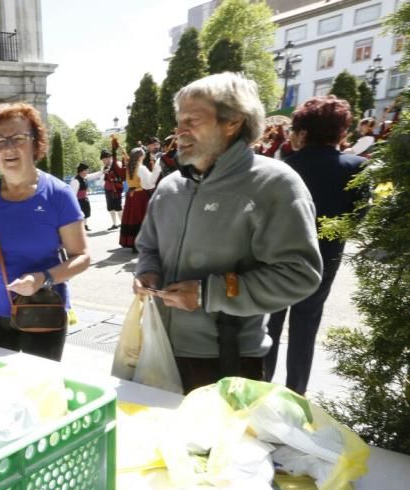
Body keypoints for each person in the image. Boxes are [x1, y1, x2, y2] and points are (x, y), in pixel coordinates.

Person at [133, 72, 322, 393]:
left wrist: (210, 293)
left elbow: (299, 274)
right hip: (158, 348)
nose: (179, 132)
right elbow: (148, 247)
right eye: (179, 121)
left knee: (216, 446)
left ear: (232, 122)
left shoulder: (275, 184)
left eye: (193, 120)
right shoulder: (169, 187)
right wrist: (147, 272)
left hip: (228, 362)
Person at [0, 102, 90, 361]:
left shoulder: (58, 195)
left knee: (40, 393)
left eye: (17, 138)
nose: (8, 147)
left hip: (44, 310)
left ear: (35, 143)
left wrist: (43, 279)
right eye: (0, 142)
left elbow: (82, 257)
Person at [265, 96, 367, 395]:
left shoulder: (282, 167)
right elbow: (359, 215)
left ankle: (259, 387)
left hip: (277, 257)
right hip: (325, 258)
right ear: (341, 132)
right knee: (305, 328)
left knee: (270, 324)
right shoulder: (357, 167)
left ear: (303, 133)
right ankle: (296, 394)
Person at [118, 147, 158, 251]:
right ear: (141, 156)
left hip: (131, 196)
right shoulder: (141, 168)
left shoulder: (129, 168)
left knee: (133, 218)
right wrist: (155, 171)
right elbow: (149, 184)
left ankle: (134, 244)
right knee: (142, 218)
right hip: (141, 196)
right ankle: (143, 243)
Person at [100, 149, 125, 230]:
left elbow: (121, 175)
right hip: (108, 189)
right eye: (102, 159)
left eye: (104, 159)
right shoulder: (103, 167)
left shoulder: (118, 163)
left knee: (118, 206)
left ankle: (123, 223)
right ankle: (114, 224)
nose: (103, 161)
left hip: (116, 189)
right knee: (110, 207)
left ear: (109, 158)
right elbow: (101, 178)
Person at [69, 163, 92, 231]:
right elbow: (73, 193)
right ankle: (79, 227)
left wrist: (102, 172)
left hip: (84, 199)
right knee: (80, 214)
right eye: (86, 170)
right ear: (82, 171)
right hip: (78, 200)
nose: (87, 172)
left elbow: (93, 175)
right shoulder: (75, 180)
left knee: (86, 213)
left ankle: (85, 225)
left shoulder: (84, 178)